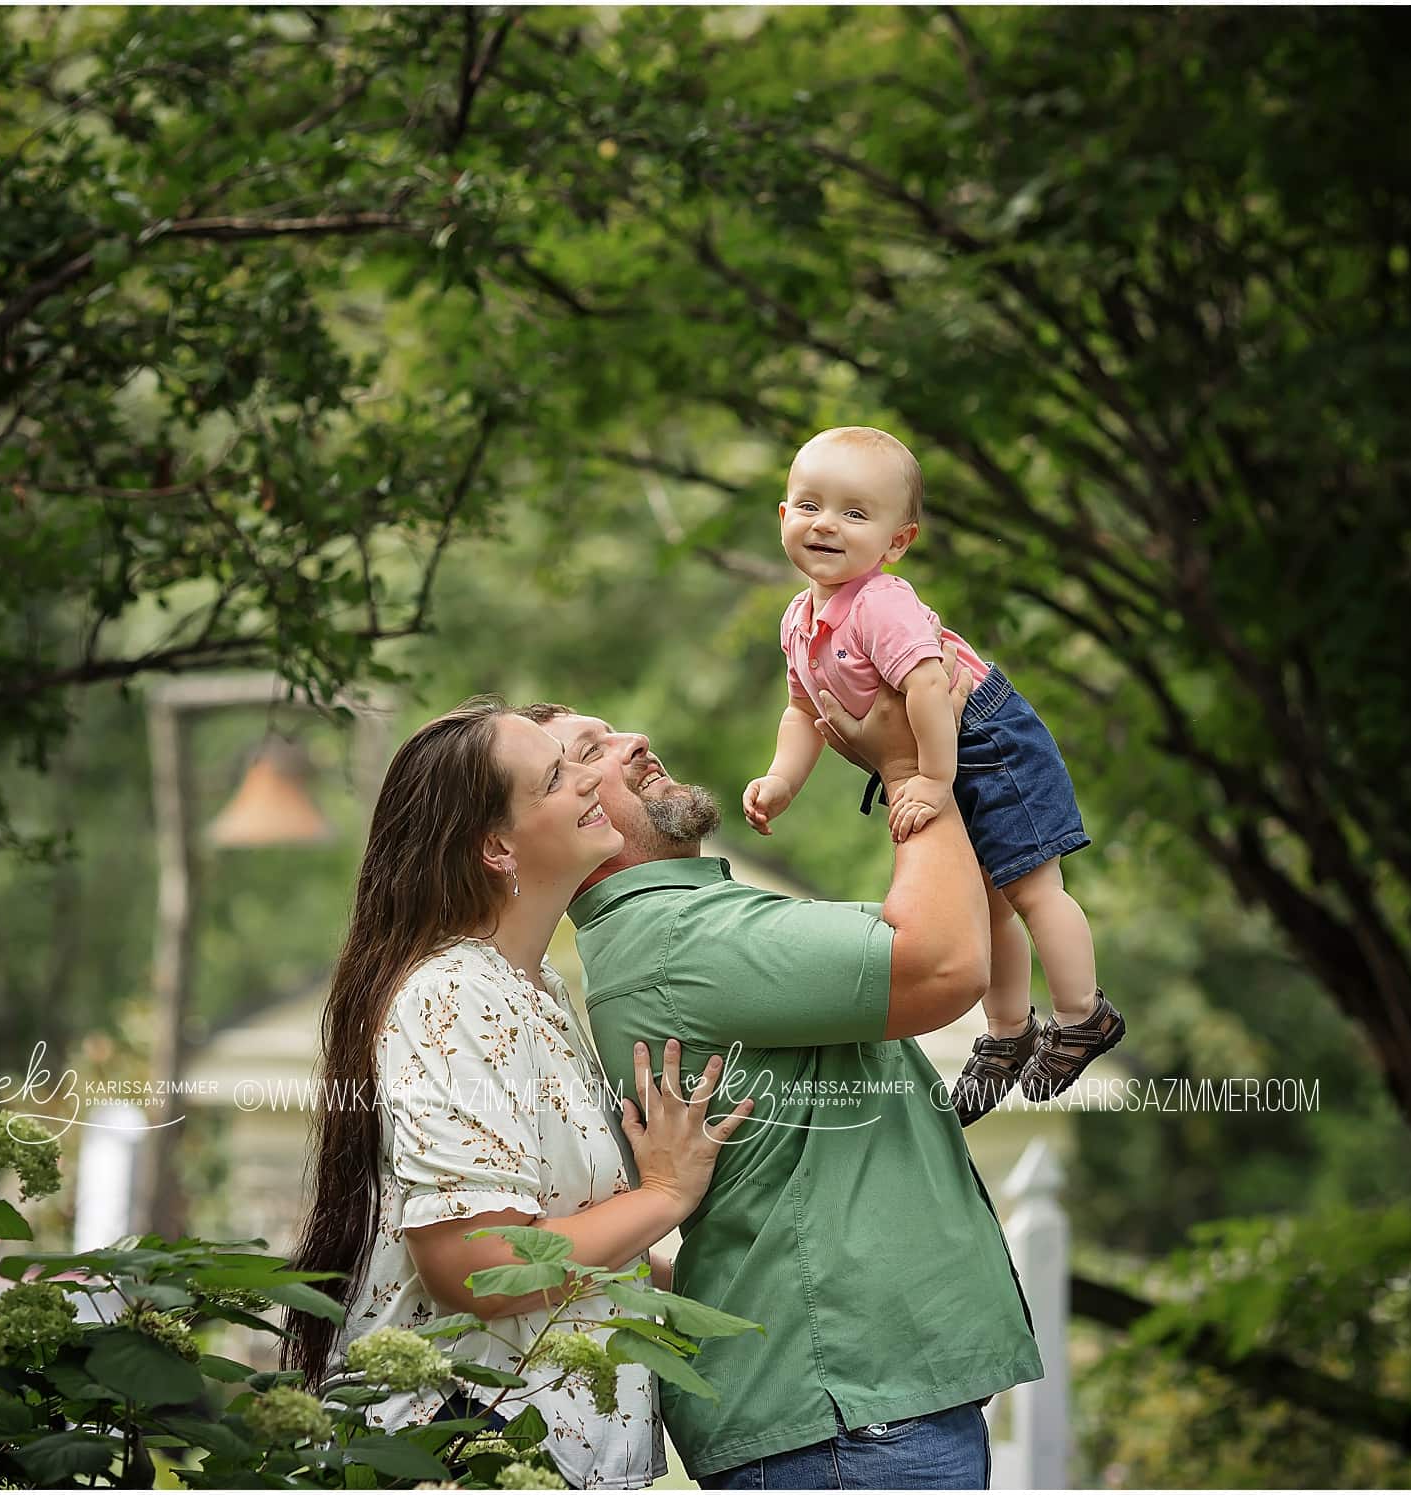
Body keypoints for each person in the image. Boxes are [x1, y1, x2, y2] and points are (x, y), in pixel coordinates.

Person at [528, 660, 1045, 1490]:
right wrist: (910, 768)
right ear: (561, 816)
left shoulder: (694, 926)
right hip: (851, 1427)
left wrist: (943, 751)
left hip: (854, 1419)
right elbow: (944, 965)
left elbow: (947, 921)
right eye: (589, 749)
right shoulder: (680, 938)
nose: (636, 740)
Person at [283, 697, 754, 1490]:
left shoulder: (534, 990)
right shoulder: (452, 995)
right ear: (497, 846)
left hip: (551, 1458)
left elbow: (561, 1235)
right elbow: (477, 1265)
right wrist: (667, 1193)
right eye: (557, 776)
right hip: (469, 1454)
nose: (587, 784)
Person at [742, 424, 1126, 1112]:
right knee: (985, 907)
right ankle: (1008, 1031)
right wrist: (781, 781)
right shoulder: (798, 619)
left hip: (984, 736)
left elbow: (926, 687)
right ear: (783, 516)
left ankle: (1081, 1014)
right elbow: (803, 710)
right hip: (933, 752)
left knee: (1034, 888)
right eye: (809, 505)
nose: (826, 524)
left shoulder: (880, 604)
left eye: (855, 513)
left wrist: (933, 780)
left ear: (896, 541)